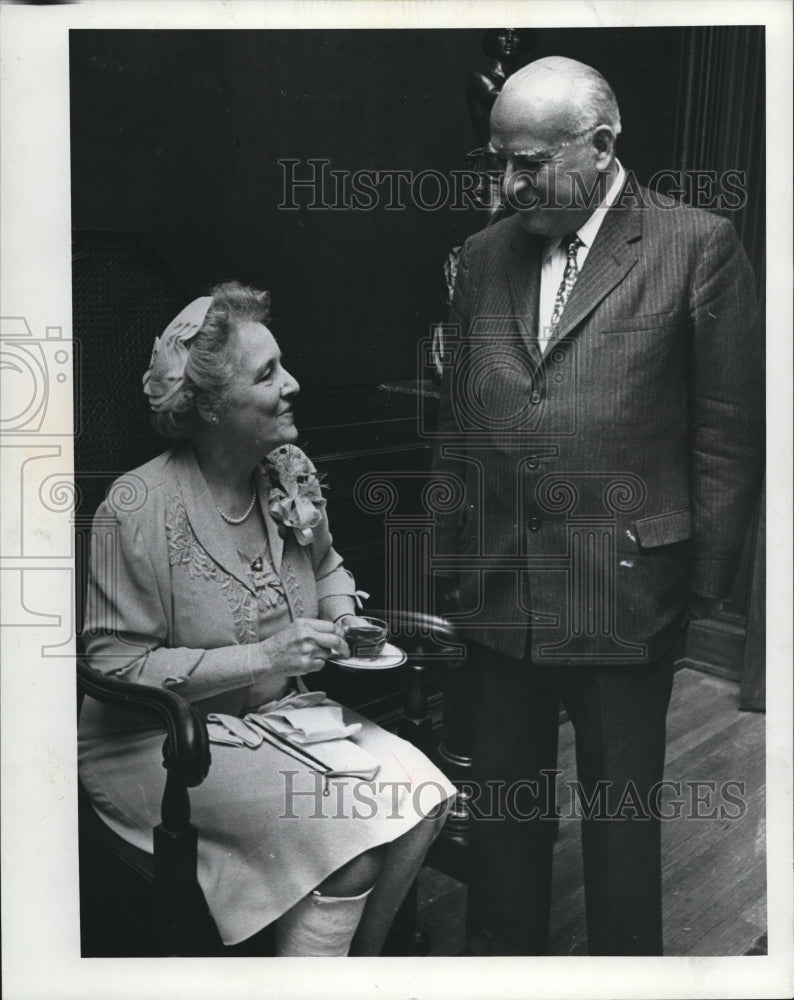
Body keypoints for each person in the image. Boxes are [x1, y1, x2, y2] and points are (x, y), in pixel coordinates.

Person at [431, 56, 763, 955]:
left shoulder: (696, 246)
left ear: (602, 145)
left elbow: (730, 432)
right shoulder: (482, 256)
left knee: (621, 826)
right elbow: (460, 425)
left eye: (529, 163)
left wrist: (697, 591)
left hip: (624, 591)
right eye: (496, 160)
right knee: (504, 821)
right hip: (500, 589)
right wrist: (451, 558)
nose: (507, 185)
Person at [78, 280, 455, 956]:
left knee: (426, 796)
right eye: (268, 373)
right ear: (212, 407)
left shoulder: (288, 472)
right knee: (349, 848)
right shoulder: (134, 507)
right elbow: (114, 667)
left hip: (272, 716)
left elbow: (328, 563)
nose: (294, 383)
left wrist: (345, 622)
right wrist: (269, 656)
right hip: (158, 745)